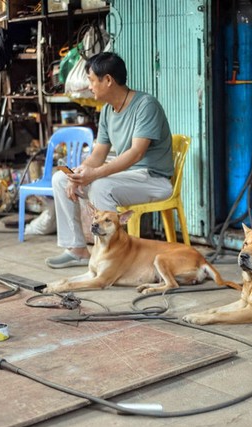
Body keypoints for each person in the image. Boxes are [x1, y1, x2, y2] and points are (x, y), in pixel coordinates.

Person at [45, 52, 174, 269]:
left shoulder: (146, 105)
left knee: (101, 185)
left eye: (91, 80)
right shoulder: (107, 111)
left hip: (153, 179)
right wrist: (80, 174)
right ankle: (77, 249)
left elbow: (136, 153)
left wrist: (94, 174)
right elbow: (98, 155)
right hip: (126, 177)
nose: (89, 86)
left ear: (108, 80)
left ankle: (108, 258)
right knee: (61, 179)